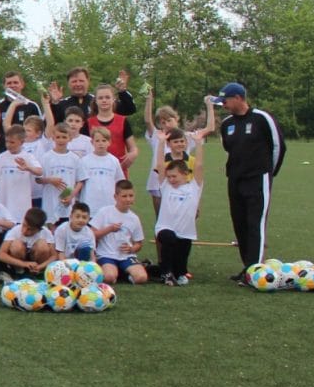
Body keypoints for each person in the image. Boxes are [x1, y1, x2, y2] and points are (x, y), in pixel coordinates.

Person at [213, 82, 285, 282]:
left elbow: (278, 147)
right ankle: (248, 268)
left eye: (225, 100)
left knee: (255, 224)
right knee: (240, 224)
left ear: (238, 98)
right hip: (235, 180)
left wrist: (269, 174)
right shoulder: (227, 124)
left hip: (257, 179)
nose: (224, 105)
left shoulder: (263, 118)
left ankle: (255, 271)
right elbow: (229, 149)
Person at [154, 134, 207, 286]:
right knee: (168, 239)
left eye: (174, 176)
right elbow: (159, 165)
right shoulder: (166, 187)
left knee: (180, 264)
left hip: (185, 232)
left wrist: (198, 143)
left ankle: (176, 272)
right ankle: (166, 273)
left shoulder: (194, 186)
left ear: (185, 174)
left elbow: (199, 166)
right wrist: (162, 142)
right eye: (169, 176)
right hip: (165, 228)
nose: (171, 179)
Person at [91, 180, 148, 285]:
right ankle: (115, 272)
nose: (128, 199)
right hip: (106, 255)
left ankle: (124, 274)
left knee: (142, 278)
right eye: (124, 196)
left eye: (131, 196)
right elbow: (91, 234)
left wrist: (132, 249)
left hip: (126, 256)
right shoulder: (105, 212)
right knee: (109, 277)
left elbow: (139, 243)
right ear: (115, 197)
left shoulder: (134, 218)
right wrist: (109, 229)